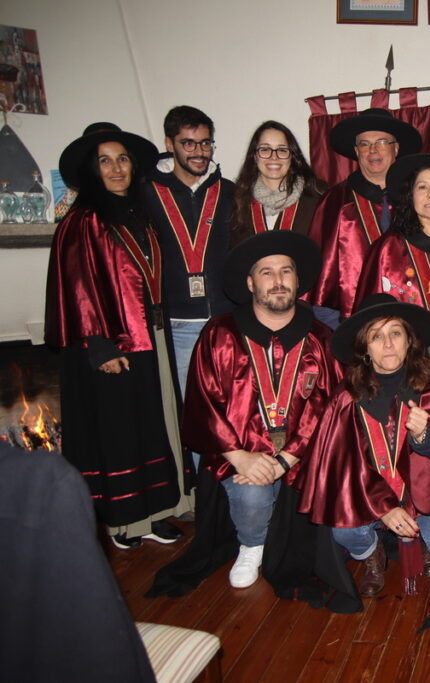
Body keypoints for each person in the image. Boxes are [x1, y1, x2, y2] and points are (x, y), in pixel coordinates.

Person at [45, 122, 191, 549]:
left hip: (149, 335)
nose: (116, 168)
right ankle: (127, 522)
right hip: (112, 344)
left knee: (150, 425)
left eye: (122, 159)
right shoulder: (84, 221)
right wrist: (99, 345)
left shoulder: (137, 214)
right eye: (105, 161)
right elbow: (78, 286)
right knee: (119, 431)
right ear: (93, 170)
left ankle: (157, 511)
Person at [180, 231, 338, 588]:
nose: (278, 281)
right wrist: (240, 457)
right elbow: (203, 403)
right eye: (267, 272)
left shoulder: (320, 339)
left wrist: (286, 459)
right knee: (253, 496)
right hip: (241, 454)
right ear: (251, 283)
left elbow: (328, 410)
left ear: (298, 281)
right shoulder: (220, 334)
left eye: (286, 271)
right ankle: (251, 545)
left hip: (304, 457)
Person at [298, 293, 430, 597]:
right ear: (364, 348)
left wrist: (424, 438)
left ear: (409, 341)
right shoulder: (346, 398)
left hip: (427, 496)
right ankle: (372, 550)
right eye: (376, 336)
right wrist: (385, 509)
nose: (387, 344)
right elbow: (342, 471)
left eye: (395, 333)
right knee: (344, 533)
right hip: (369, 498)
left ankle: (423, 539)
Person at [143, 105, 235, 413]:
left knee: (234, 409)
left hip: (226, 321)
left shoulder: (229, 192)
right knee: (194, 412)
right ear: (169, 144)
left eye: (205, 143)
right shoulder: (146, 194)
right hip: (179, 323)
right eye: (189, 143)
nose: (199, 152)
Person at [356, 153, 430, 380]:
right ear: (410, 196)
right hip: (407, 362)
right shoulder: (388, 249)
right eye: (422, 187)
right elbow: (370, 319)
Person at [307, 109, 423, 329]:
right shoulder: (336, 201)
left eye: (382, 142)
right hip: (351, 323)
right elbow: (321, 275)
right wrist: (338, 329)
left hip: (412, 320)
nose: (373, 150)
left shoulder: (417, 197)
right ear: (356, 151)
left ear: (396, 148)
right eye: (364, 144)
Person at [229, 120, 325, 246]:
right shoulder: (237, 202)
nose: (274, 157)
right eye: (265, 149)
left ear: (292, 156)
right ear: (255, 156)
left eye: (282, 150)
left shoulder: (317, 198)